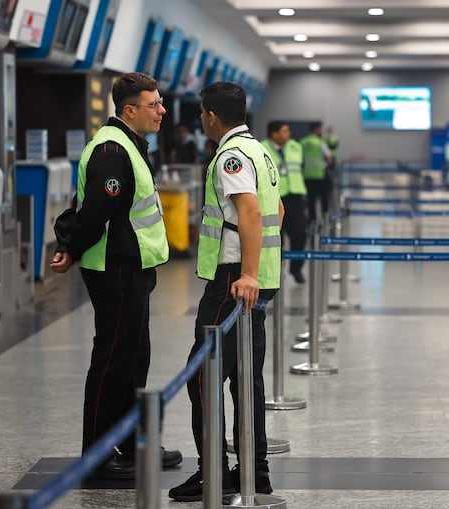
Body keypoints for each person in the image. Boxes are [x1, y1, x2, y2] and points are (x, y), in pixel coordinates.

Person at [49, 72, 182, 479]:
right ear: (129, 110)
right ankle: (98, 456)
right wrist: (71, 248)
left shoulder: (130, 144)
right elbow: (94, 213)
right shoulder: (111, 149)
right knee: (112, 361)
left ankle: (134, 441)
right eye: (154, 104)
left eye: (160, 103)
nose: (162, 111)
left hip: (135, 265)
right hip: (116, 268)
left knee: (134, 359)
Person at [168, 82, 284, 502]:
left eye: (201, 114)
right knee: (245, 378)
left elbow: (251, 212)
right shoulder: (260, 151)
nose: (201, 120)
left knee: (203, 376)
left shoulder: (231, 156)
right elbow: (278, 209)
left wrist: (247, 272)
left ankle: (213, 471)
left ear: (212, 115)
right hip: (258, 277)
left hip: (234, 279)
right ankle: (256, 470)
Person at [261, 121, 308, 284]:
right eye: (284, 131)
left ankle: (296, 269)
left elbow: (301, 167)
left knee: (300, 234)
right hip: (273, 199)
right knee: (274, 237)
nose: (288, 134)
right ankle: (275, 272)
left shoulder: (296, 147)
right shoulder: (261, 148)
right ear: (274, 133)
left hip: (295, 196)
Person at [300, 122, 333, 225]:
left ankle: (312, 221)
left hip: (307, 176)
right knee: (324, 200)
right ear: (315, 130)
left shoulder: (303, 142)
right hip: (321, 176)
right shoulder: (320, 142)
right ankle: (325, 220)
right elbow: (329, 158)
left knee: (311, 201)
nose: (321, 131)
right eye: (320, 129)